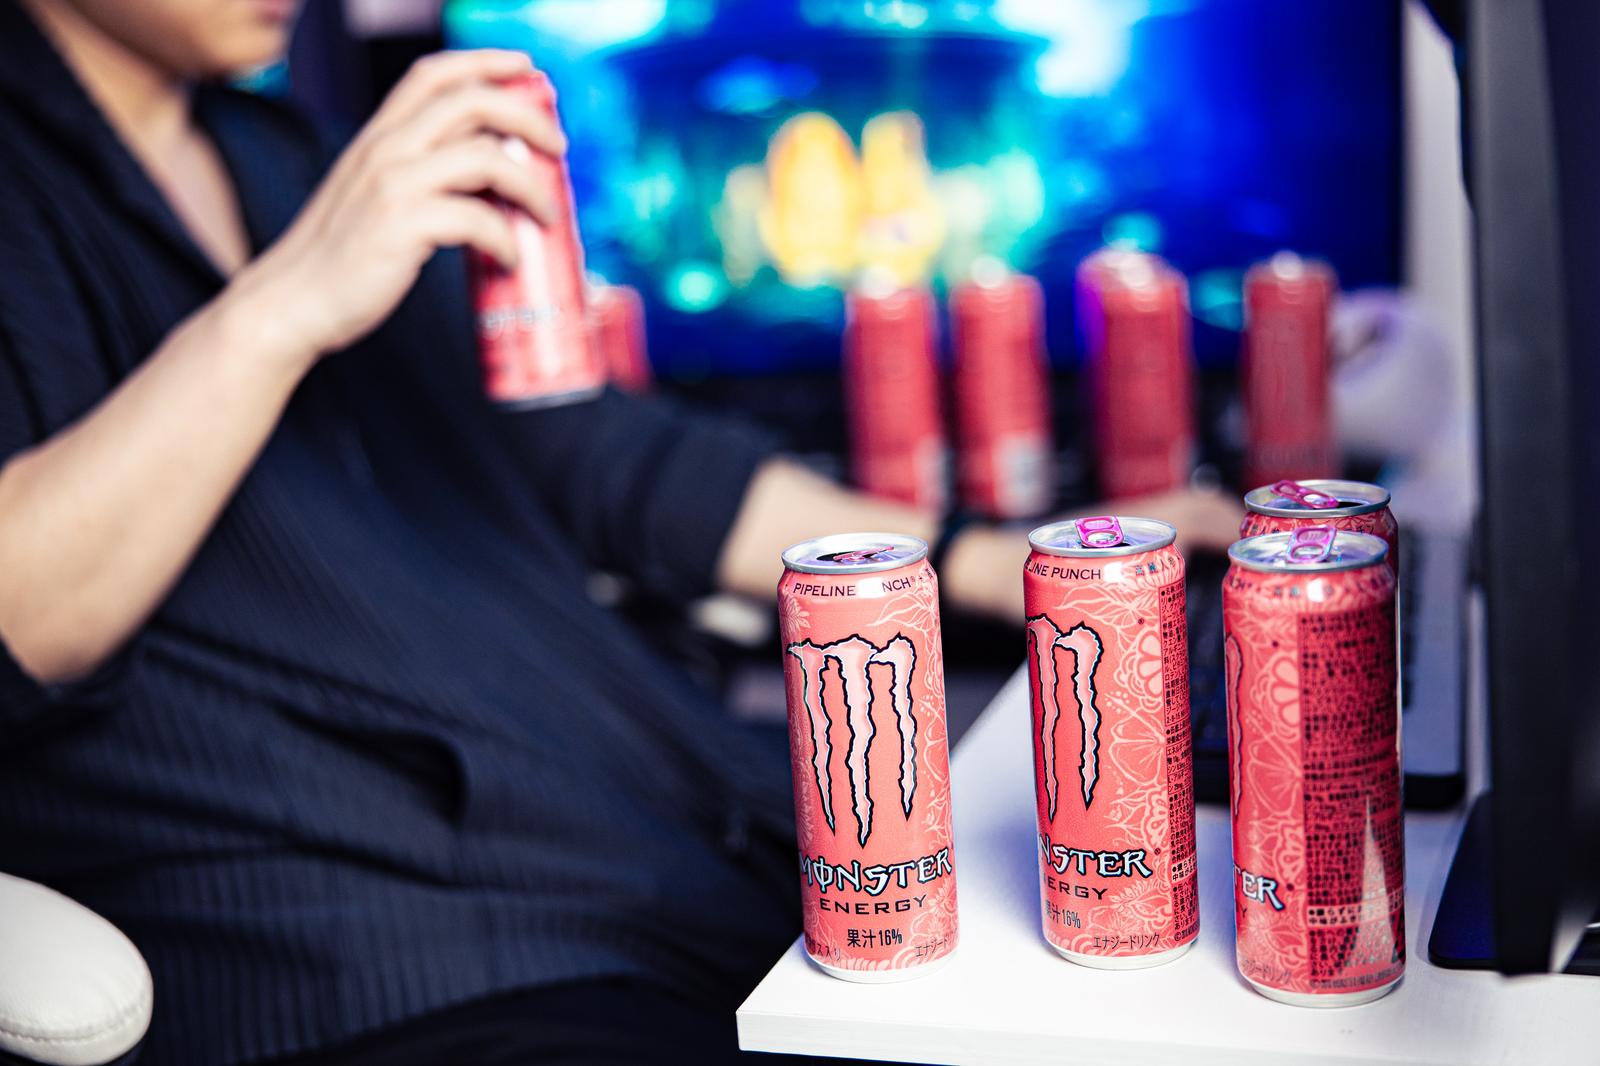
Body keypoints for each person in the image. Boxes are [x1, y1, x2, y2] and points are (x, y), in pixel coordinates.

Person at [0, 0, 1241, 1062]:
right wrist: (285, 305)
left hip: (660, 840)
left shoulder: (275, 150)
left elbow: (588, 449)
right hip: (390, 964)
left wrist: (987, 556)